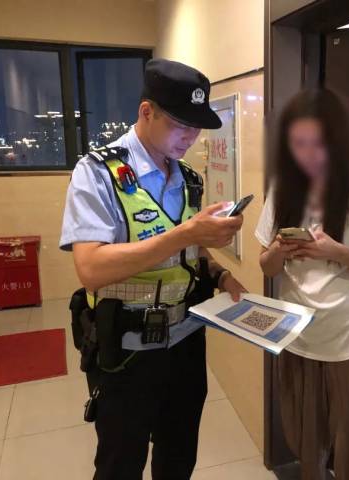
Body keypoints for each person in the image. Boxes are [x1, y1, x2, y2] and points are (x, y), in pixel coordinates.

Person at [60, 59, 247, 480]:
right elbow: (90, 268)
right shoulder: (97, 173)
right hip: (127, 349)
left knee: (178, 458)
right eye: (181, 125)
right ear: (147, 112)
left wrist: (219, 274)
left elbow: (190, 251)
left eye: (197, 128)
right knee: (120, 464)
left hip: (185, 343)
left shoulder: (189, 178)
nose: (191, 138)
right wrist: (185, 234)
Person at [255, 89, 349, 480]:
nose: (309, 155)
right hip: (299, 333)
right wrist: (279, 250)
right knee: (306, 444)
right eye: (298, 144)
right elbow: (267, 266)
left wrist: (336, 252)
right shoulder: (284, 187)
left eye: (318, 143)